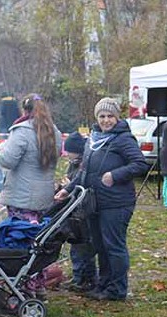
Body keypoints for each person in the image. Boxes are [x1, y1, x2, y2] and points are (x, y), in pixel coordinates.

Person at [55, 97, 150, 300]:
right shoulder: (94, 138)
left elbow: (140, 164)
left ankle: (117, 289)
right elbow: (84, 171)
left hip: (116, 203)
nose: (106, 120)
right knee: (99, 245)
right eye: (102, 116)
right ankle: (104, 284)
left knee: (114, 246)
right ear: (96, 118)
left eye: (110, 116)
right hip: (95, 202)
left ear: (117, 117)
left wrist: (115, 175)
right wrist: (69, 189)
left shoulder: (124, 139)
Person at [0, 94, 62, 221]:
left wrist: (2, 148)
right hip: (45, 198)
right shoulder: (55, 133)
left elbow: (7, 161)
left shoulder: (22, 130)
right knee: (38, 236)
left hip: (21, 200)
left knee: (21, 235)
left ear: (24, 110)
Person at [60, 131, 97, 292]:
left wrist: (69, 185)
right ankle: (80, 276)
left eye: (69, 151)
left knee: (83, 247)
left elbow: (82, 185)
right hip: (74, 210)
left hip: (82, 211)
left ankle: (84, 278)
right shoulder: (73, 164)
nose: (67, 154)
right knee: (77, 246)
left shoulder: (84, 166)